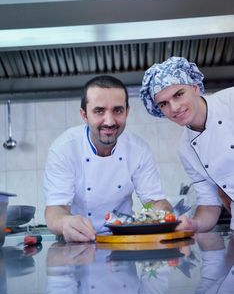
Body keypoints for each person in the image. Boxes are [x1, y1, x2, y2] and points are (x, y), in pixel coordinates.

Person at [44, 75, 172, 242]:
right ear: (84, 115)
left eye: (117, 110)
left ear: (127, 112)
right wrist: (66, 222)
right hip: (75, 245)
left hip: (123, 243)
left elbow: (153, 202)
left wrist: (160, 212)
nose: (110, 121)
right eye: (99, 111)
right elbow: (55, 209)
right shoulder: (64, 149)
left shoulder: (139, 150)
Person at [139, 56, 234, 232]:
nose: (174, 108)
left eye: (178, 94)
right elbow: (209, 205)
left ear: (195, 87)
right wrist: (193, 224)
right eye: (164, 104)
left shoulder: (231, 101)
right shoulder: (185, 148)